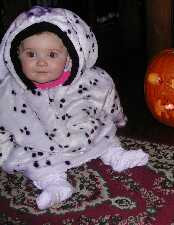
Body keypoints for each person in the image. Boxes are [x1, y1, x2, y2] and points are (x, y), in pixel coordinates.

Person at [0, 6, 149, 210]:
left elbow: (107, 100)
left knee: (105, 134)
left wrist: (118, 118)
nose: (41, 62)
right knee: (36, 167)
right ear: (17, 55)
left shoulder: (89, 80)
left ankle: (116, 155)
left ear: (69, 56)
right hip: (42, 148)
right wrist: (4, 152)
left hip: (85, 132)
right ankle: (55, 184)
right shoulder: (10, 92)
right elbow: (3, 125)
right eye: (31, 54)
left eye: (52, 54)